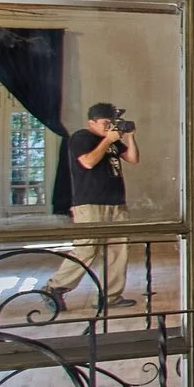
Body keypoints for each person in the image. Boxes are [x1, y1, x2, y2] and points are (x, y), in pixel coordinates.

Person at [57, 102, 138, 310]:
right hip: (90, 203)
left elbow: (133, 158)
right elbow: (88, 162)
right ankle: (56, 287)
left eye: (112, 122)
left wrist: (129, 136)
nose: (109, 126)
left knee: (118, 250)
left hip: (116, 203)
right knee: (87, 248)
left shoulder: (111, 140)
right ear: (91, 122)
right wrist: (107, 140)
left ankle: (109, 297)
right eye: (105, 122)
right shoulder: (81, 138)